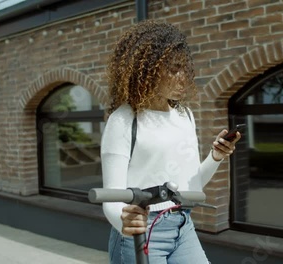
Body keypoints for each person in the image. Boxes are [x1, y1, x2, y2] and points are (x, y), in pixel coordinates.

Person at [100, 20, 241, 264]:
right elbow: (111, 196)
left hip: (183, 225)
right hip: (141, 232)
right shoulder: (123, 120)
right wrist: (123, 222)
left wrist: (216, 157)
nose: (183, 78)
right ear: (147, 69)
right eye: (174, 69)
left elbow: (191, 184)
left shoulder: (184, 116)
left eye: (184, 69)